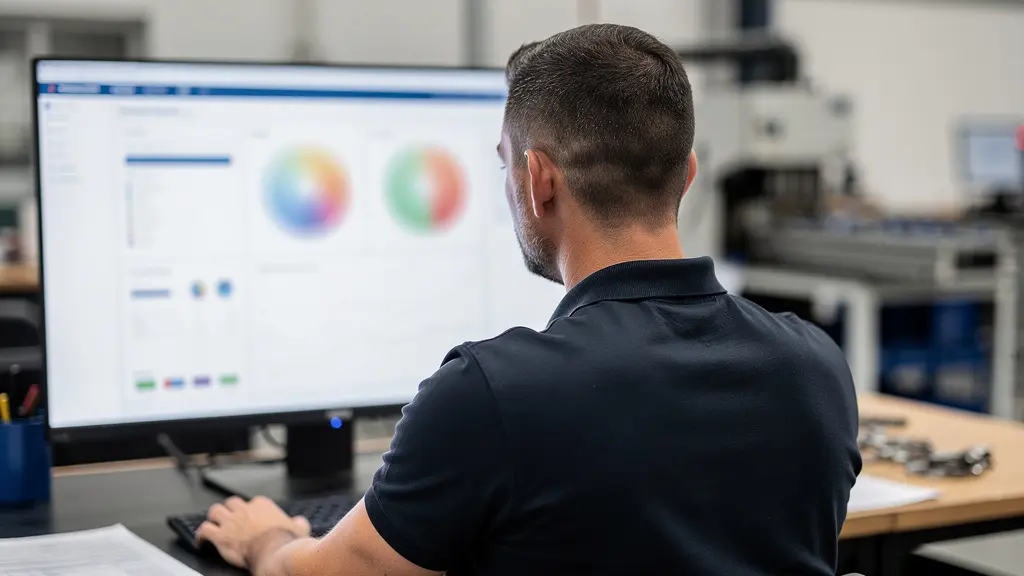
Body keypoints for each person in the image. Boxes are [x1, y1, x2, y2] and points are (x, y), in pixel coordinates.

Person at [196, 24, 861, 576]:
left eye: (504, 164)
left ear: (538, 180)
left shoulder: (493, 394)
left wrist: (266, 540)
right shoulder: (817, 366)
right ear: (686, 176)